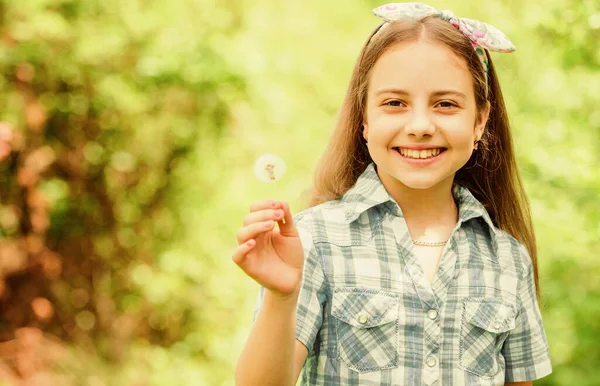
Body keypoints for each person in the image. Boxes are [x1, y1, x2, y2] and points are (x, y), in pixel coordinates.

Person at [232, 3, 552, 385]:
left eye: (445, 104)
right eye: (394, 103)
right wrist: (282, 297)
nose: (419, 126)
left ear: (480, 120)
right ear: (365, 120)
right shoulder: (313, 241)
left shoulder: (508, 258)